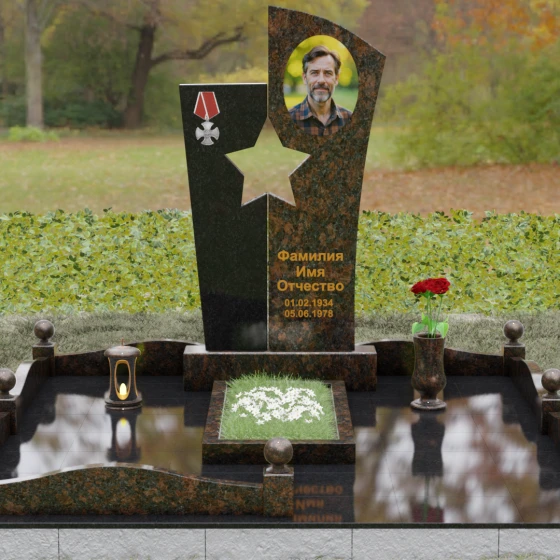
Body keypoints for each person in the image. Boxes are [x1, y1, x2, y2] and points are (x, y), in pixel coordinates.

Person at [289, 45, 352, 136]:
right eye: (314, 73)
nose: (321, 80)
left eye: (328, 73)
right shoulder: (288, 119)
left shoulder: (350, 119)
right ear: (304, 78)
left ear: (336, 79)